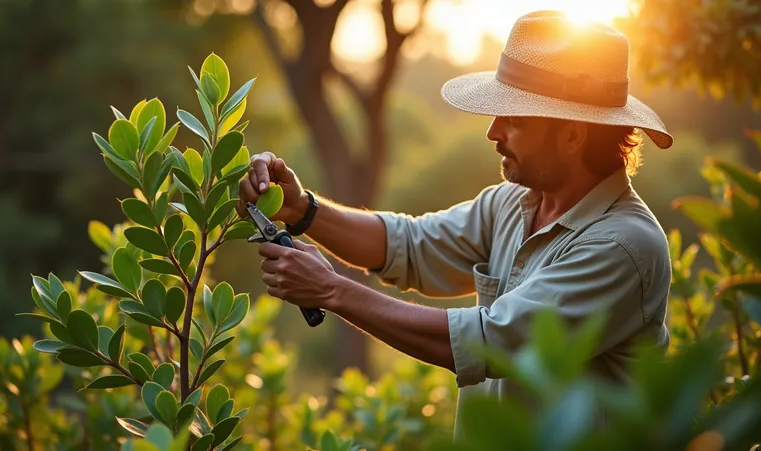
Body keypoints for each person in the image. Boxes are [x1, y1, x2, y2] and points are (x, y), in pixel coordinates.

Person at [239, 10, 673, 438]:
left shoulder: (622, 245)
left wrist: (331, 290)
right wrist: (301, 210)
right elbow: (408, 244)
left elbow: (487, 341)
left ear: (573, 135)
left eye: (514, 119)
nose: (493, 132)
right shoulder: (512, 203)